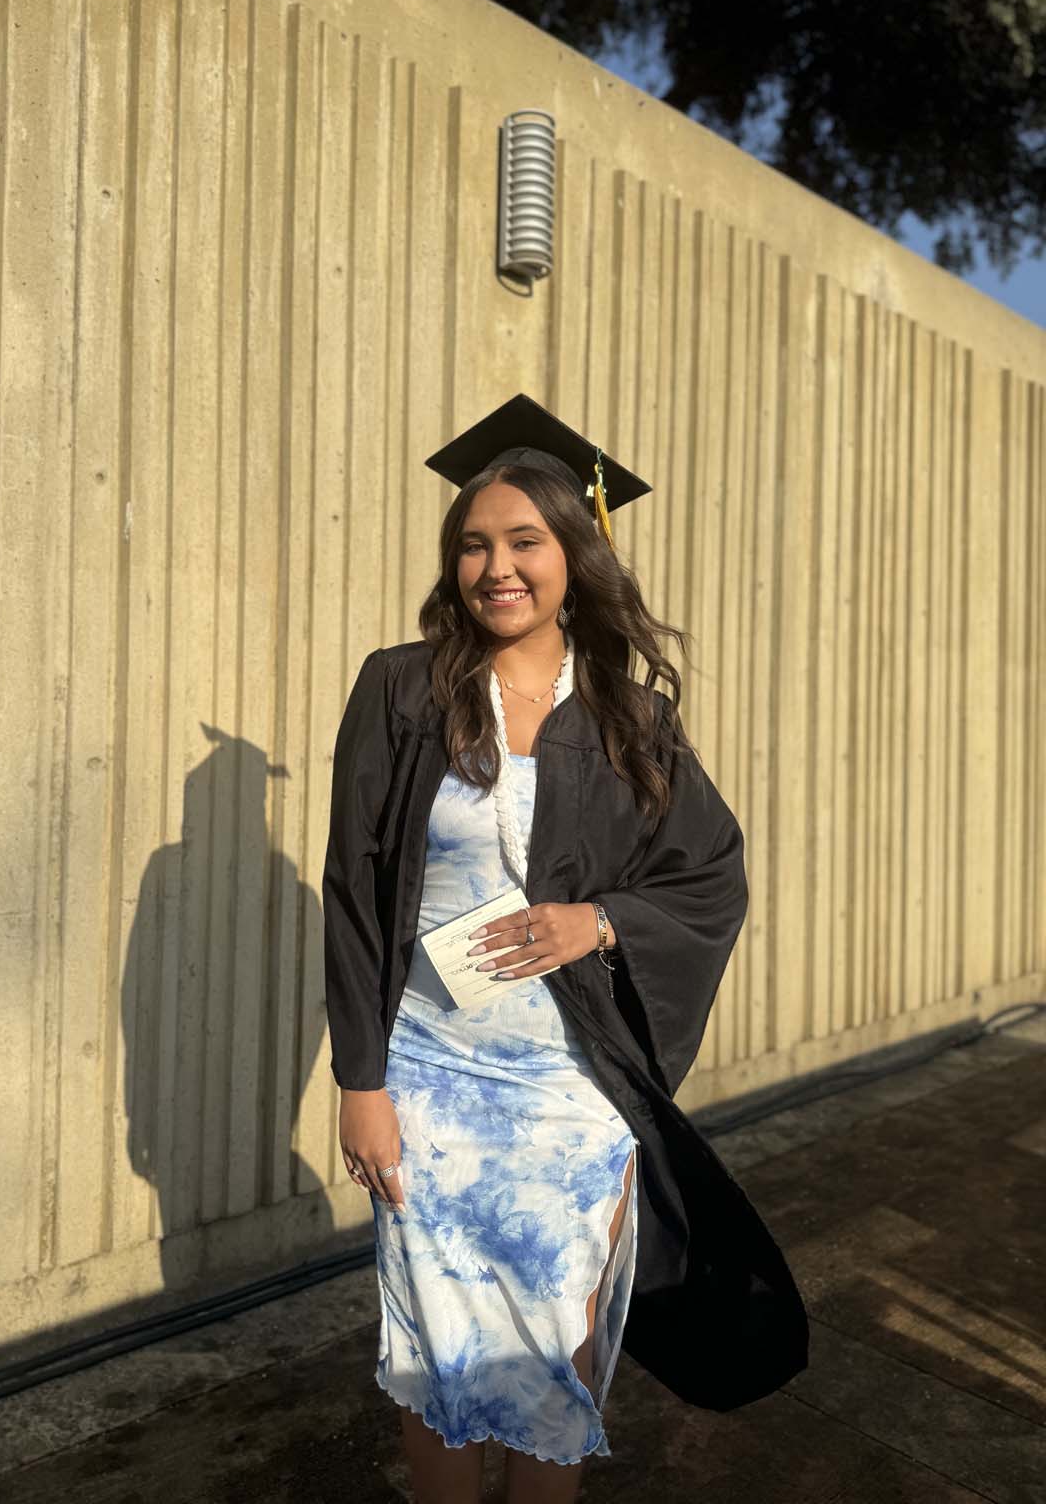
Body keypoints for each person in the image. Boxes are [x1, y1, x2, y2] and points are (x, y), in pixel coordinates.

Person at [322, 393, 808, 1504]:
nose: (496, 566)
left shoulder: (633, 721)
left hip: (572, 1091)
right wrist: (361, 1080)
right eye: (474, 544)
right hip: (430, 1077)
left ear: (575, 554)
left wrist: (603, 921)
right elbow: (354, 892)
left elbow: (711, 874)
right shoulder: (402, 690)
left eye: (524, 541)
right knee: (436, 1346)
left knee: (556, 1349)